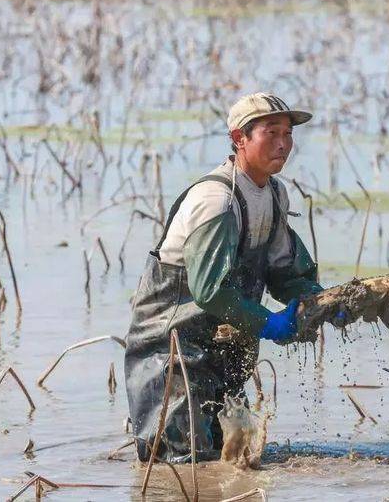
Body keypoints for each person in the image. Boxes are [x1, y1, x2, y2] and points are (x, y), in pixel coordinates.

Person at [124, 92, 323, 464]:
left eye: (288, 133)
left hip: (225, 348)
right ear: (239, 139)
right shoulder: (217, 199)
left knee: (236, 456)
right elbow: (209, 291)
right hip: (173, 352)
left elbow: (285, 272)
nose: (283, 143)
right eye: (271, 132)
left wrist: (319, 301)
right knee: (181, 464)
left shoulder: (275, 194)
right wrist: (269, 323)